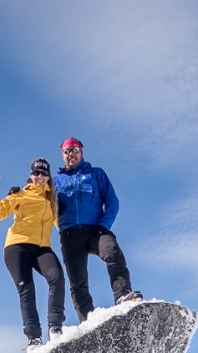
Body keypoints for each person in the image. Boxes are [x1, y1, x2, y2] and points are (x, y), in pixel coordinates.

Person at [52, 136, 141, 322]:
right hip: (69, 234)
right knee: (77, 280)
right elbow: (44, 205)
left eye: (75, 150)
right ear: (62, 155)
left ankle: (123, 295)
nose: (71, 154)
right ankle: (88, 319)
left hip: (95, 229)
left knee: (113, 253)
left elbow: (112, 201)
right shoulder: (55, 182)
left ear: (81, 152)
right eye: (67, 151)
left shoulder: (96, 174)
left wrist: (103, 225)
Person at [0, 158, 66, 349]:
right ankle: (34, 337)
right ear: (31, 175)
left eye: (43, 173)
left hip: (41, 248)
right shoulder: (19, 194)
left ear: (48, 177)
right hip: (17, 246)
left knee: (57, 278)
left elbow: (60, 225)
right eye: (36, 173)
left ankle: (55, 327)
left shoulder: (51, 200)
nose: (40, 177)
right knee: (27, 289)